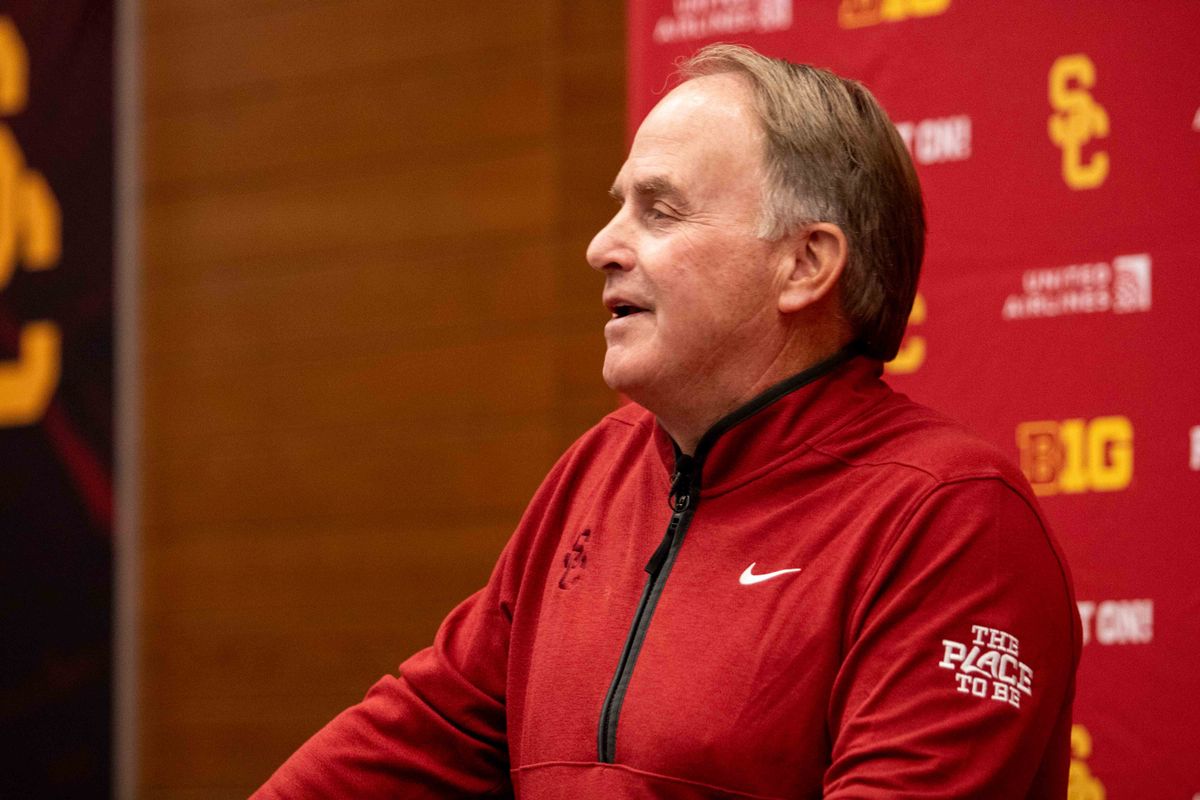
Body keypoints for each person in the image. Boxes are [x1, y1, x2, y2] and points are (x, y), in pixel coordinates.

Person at [254, 44, 1080, 798]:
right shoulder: (598, 469)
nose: (601, 246)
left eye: (660, 210)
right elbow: (421, 737)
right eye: (620, 207)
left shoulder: (952, 519)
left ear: (804, 264)